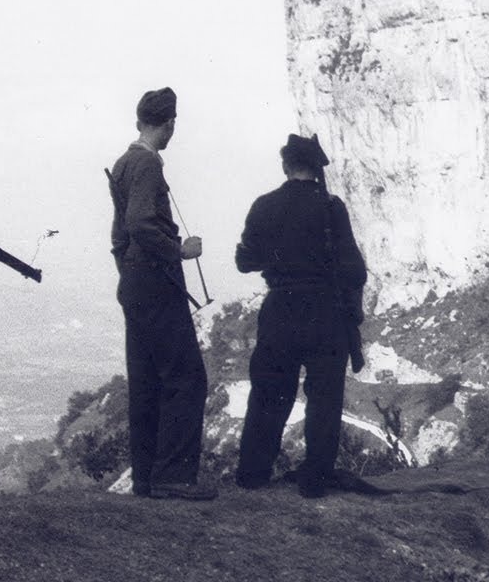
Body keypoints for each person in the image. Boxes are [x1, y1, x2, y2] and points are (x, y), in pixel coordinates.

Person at [233, 133, 367, 498]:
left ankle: (253, 475)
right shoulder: (332, 207)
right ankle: (316, 479)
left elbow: (245, 261)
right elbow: (355, 270)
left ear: (285, 166)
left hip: (280, 309)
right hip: (325, 311)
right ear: (316, 168)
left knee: (269, 394)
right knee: (324, 398)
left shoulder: (264, 205)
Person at [106, 86, 215, 501]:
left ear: (140, 121)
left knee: (146, 381)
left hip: (135, 282)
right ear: (169, 124)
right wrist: (178, 251)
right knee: (187, 378)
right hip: (155, 282)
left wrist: (128, 270)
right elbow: (139, 223)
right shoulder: (148, 164)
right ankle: (173, 477)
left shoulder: (123, 162)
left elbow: (120, 235)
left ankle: (146, 478)